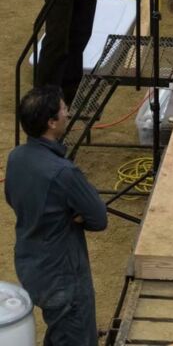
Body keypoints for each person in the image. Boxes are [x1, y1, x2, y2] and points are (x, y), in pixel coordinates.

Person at [5, 86, 107, 345]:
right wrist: (73, 215)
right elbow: (98, 218)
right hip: (63, 276)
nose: (68, 113)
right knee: (75, 337)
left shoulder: (16, 157)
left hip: (31, 266)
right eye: (63, 110)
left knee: (60, 332)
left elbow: (13, 199)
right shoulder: (64, 173)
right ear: (51, 123)